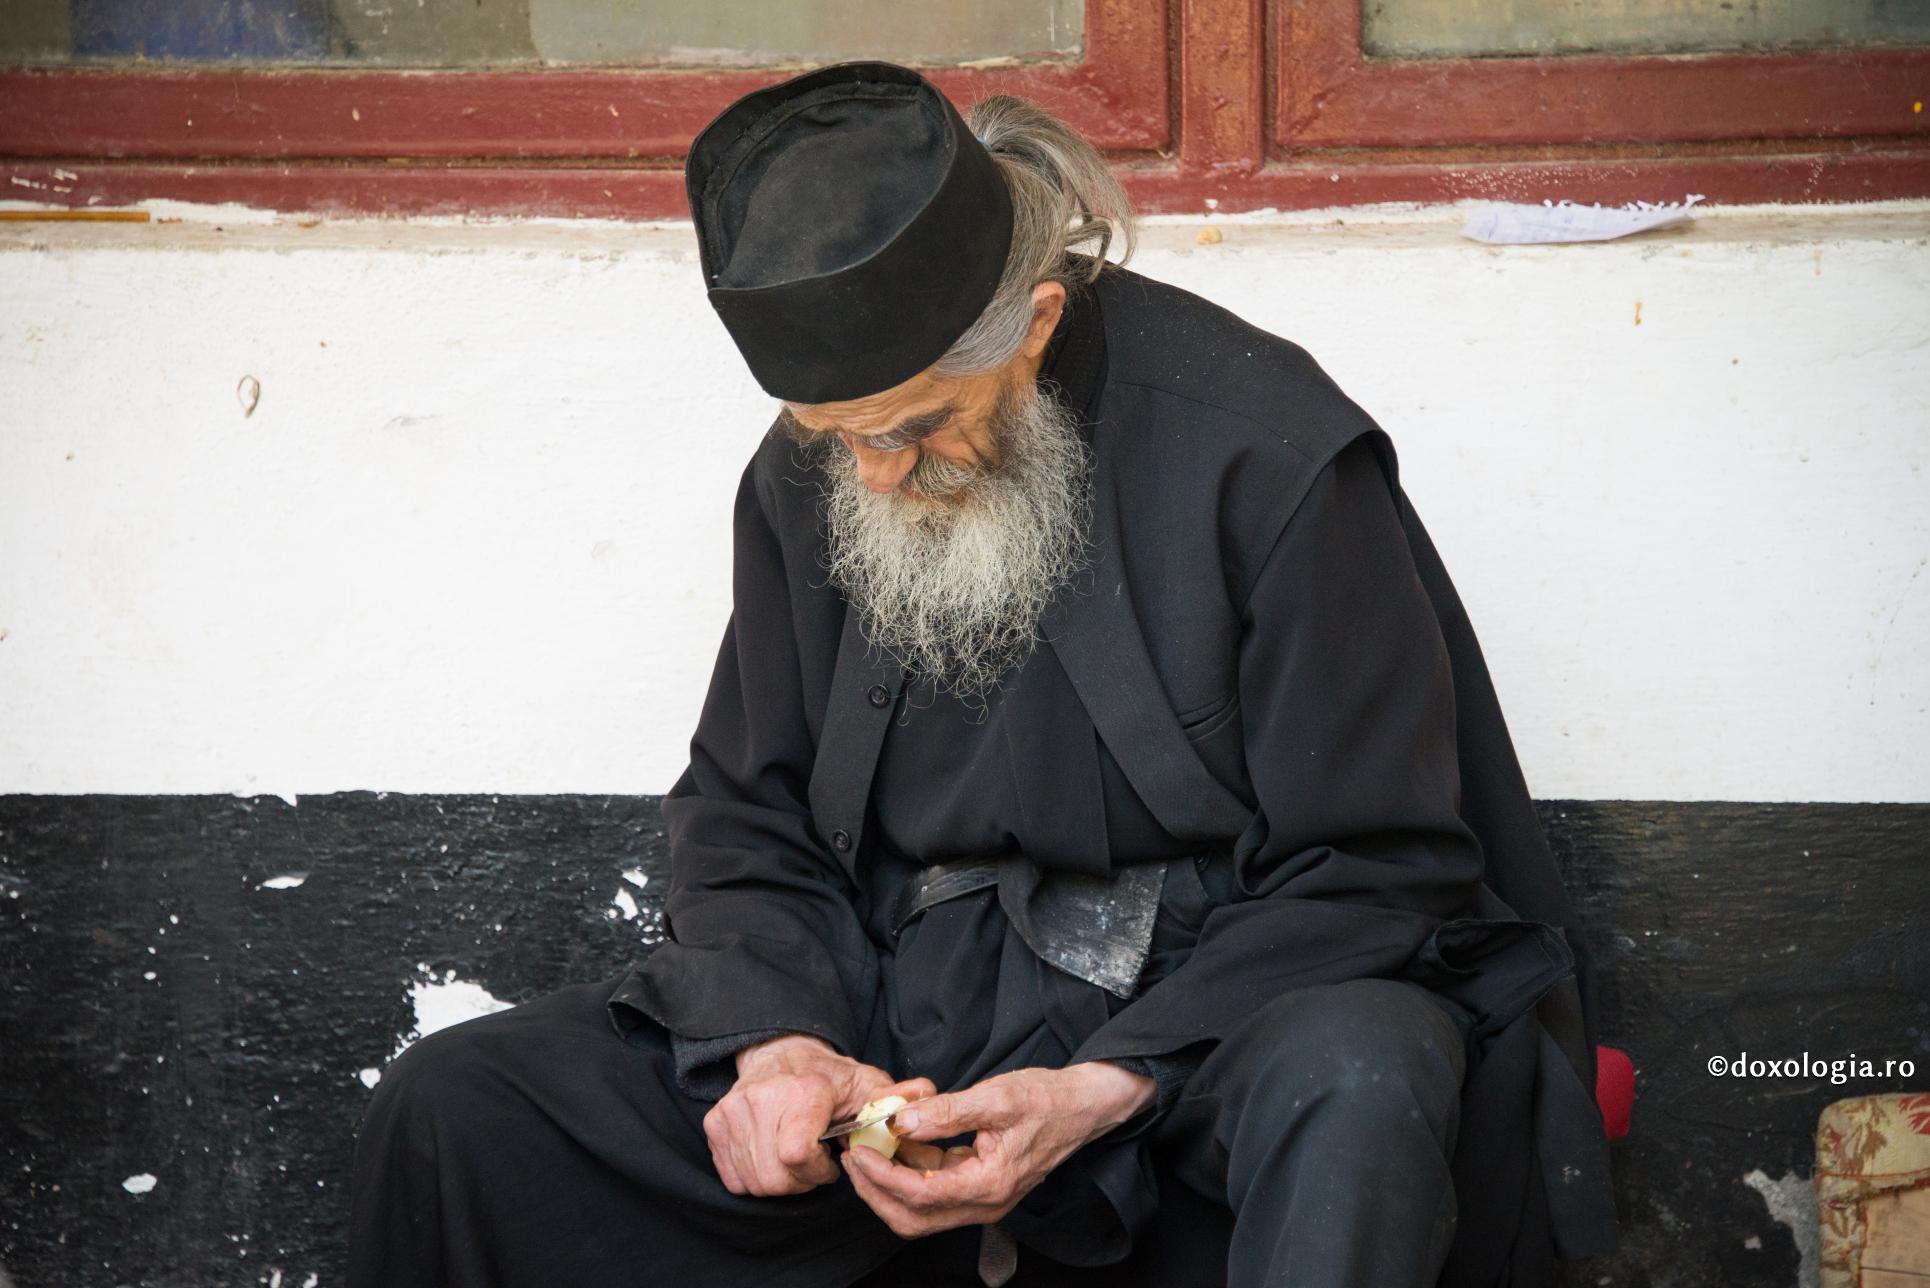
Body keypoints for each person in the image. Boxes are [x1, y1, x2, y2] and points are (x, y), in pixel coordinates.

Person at [348, 61, 1617, 1288]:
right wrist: (781, 1046)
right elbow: (748, 811)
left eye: (912, 428)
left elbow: (1378, 867)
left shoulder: (1264, 451)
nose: (876, 476)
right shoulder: (820, 470)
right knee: (460, 1105)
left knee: (1360, 1072)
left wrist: (1103, 1086)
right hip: (900, 1028)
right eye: (836, 439)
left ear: (1035, 325)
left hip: (1198, 1030)